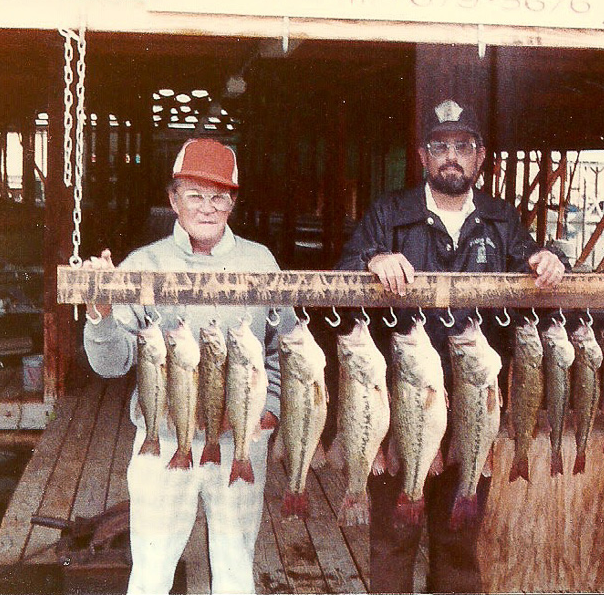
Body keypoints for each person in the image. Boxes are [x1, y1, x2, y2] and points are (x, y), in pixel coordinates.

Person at [336, 99, 568, 593]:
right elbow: (342, 273)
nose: (451, 156)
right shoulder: (388, 214)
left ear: (481, 157)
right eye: (440, 146)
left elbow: (535, 265)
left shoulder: (502, 220)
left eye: (463, 146)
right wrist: (372, 260)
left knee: (459, 545)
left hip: (472, 405)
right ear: (422, 156)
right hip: (404, 405)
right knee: (394, 541)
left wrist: (553, 259)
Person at [82, 138, 295, 594]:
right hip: (160, 439)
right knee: (152, 569)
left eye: (219, 196)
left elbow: (282, 350)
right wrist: (100, 312)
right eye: (194, 194)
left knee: (236, 569)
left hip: (239, 436)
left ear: (233, 203)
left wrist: (270, 410)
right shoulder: (144, 264)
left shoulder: (262, 263)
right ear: (173, 199)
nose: (207, 206)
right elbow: (111, 364)